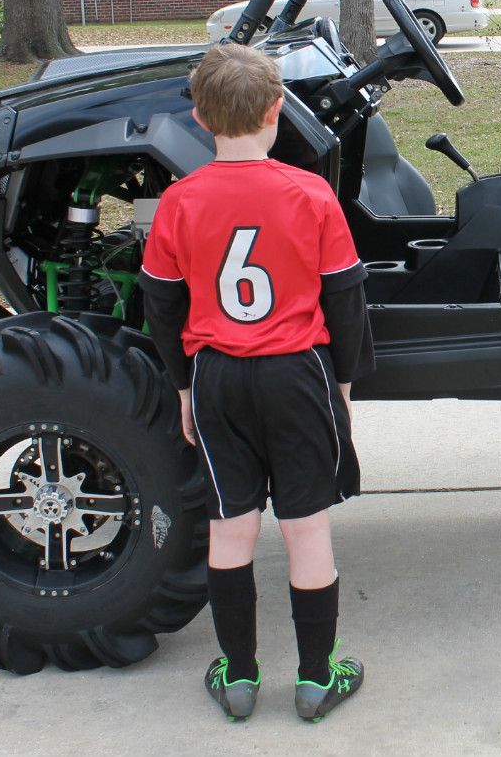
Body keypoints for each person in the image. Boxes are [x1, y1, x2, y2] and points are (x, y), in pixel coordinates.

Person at [138, 43, 374, 723]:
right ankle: (315, 679)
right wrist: (344, 380)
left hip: (217, 376)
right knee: (306, 528)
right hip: (297, 373)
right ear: (277, 112)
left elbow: (161, 302)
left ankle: (239, 678)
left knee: (231, 526)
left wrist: (183, 385)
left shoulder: (178, 204)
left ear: (199, 118)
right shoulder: (312, 194)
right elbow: (345, 298)